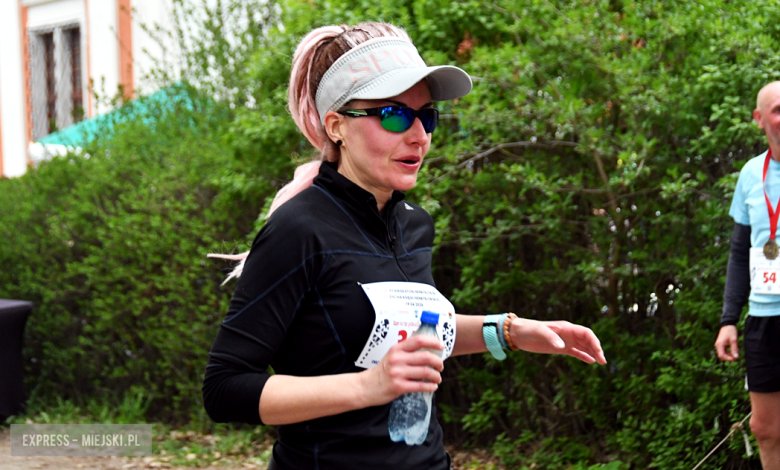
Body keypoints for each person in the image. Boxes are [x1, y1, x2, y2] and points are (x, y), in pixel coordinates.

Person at [203, 22, 607, 470]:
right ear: (336, 126)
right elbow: (224, 389)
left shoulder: (414, 224)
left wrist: (509, 331)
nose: (419, 135)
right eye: (395, 114)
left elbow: (415, 332)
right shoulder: (297, 230)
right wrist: (367, 387)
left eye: (427, 116)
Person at [716, 81, 780, 470]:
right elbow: (740, 254)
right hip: (763, 321)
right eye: (776, 109)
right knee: (765, 428)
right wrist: (728, 320)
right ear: (759, 120)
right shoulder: (749, 175)